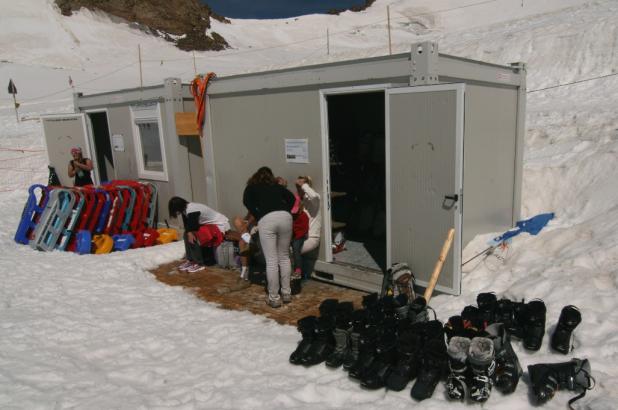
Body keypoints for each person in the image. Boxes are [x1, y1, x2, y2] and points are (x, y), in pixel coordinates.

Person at [243, 166, 295, 308]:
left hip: (267, 219)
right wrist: (285, 210)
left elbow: (246, 201)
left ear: (256, 176)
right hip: (285, 217)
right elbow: (291, 198)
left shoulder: (252, 187)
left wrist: (258, 213)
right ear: (270, 176)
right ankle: (286, 293)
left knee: (271, 260)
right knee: (284, 257)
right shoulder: (276, 186)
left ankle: (274, 297)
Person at [168, 196, 230, 273]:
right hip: (209, 224)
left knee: (194, 236)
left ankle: (199, 263)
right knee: (186, 234)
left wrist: (190, 233)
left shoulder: (192, 209)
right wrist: (188, 232)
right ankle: (191, 260)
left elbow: (193, 226)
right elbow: (187, 226)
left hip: (219, 224)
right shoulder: (185, 210)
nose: (176, 213)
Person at [295, 176, 321, 279]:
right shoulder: (301, 201)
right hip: (301, 237)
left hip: (311, 238)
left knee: (288, 252)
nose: (299, 188)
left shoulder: (315, 200)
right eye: (297, 186)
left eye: (300, 186)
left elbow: (314, 196)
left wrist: (304, 185)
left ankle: (295, 277)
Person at [291, 193, 309, 279]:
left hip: (300, 236)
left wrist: (295, 237)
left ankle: (298, 269)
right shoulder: (291, 215)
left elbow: (304, 230)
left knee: (295, 248)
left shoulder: (304, 216)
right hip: (292, 235)